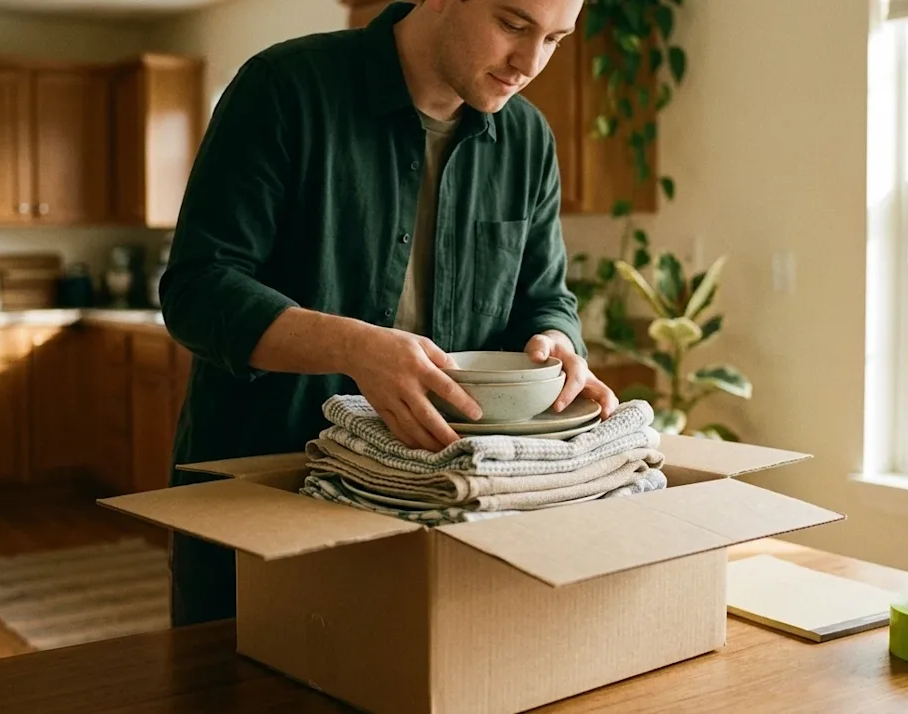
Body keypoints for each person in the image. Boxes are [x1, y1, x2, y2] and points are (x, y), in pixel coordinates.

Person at [158, 0, 618, 628]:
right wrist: (352, 347)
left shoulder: (527, 138)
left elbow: (546, 297)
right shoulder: (284, 88)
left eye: (555, 40)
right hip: (266, 487)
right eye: (512, 25)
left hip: (442, 500)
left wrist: (556, 340)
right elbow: (197, 290)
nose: (529, 63)